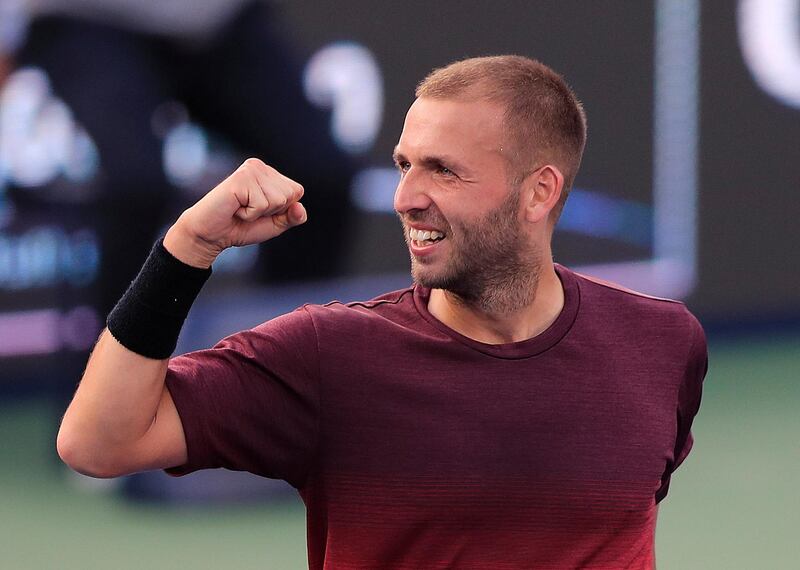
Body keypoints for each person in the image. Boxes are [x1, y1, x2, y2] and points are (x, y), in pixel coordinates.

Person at [56, 55, 707, 569]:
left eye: (443, 171)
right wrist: (187, 248)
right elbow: (98, 442)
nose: (405, 197)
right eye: (403, 165)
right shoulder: (328, 357)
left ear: (539, 192)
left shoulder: (661, 341)